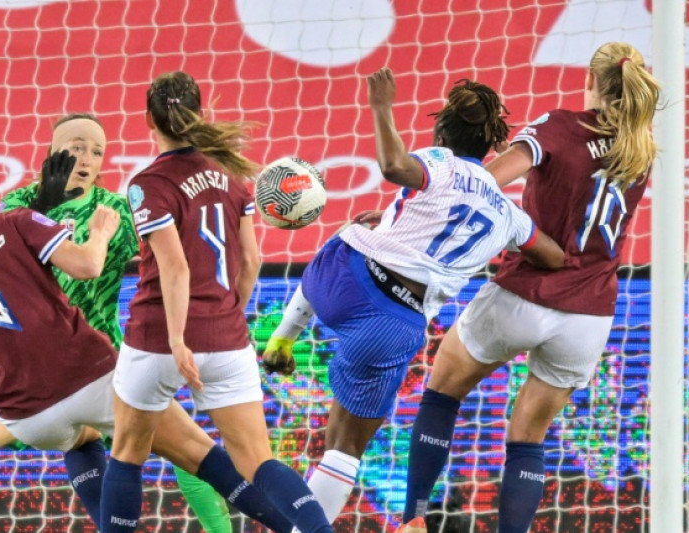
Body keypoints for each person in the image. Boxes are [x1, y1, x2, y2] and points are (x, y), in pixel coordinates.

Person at [0, 167, 289, 533]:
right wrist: (101, 233)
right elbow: (87, 267)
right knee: (198, 453)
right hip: (88, 374)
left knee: (76, 438)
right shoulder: (15, 222)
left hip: (27, 419)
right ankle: (296, 525)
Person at [260, 67, 568, 532]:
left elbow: (393, 167)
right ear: (491, 144)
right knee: (343, 448)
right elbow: (553, 256)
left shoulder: (438, 161)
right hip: (392, 321)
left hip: (339, 278)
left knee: (352, 232)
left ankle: (283, 338)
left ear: (441, 131)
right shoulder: (508, 214)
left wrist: (382, 105)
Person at [0, 113, 233, 533]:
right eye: (77, 147)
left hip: (102, 359)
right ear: (52, 153)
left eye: (97, 151)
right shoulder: (16, 206)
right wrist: (43, 205)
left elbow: (168, 259)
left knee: (186, 450)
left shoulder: (117, 211)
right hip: (32, 368)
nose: (87, 158)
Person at [396, 42, 660, 533]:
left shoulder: (561, 126)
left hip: (526, 292)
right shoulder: (640, 148)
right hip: (589, 315)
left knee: (442, 393)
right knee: (527, 440)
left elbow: (487, 181)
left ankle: (413, 518)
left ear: (590, 79)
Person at [98, 70, 335, 533]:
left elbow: (175, 267)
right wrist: (227, 314)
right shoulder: (231, 175)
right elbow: (252, 259)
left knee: (127, 454)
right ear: (201, 113)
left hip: (158, 340)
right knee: (258, 461)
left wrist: (177, 340)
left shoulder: (147, 184)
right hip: (227, 339)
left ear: (149, 120)